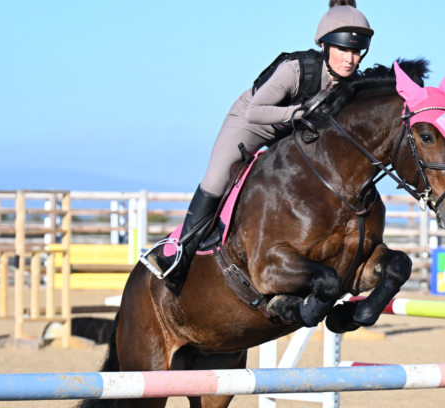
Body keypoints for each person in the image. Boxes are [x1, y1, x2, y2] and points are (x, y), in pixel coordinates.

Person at [141, 0, 374, 293]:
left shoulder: (348, 84)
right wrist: (298, 114)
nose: (350, 59)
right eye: (343, 50)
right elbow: (256, 110)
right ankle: (178, 254)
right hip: (252, 123)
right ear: (326, 46)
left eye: (356, 52)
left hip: (292, 131)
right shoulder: (296, 70)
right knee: (217, 178)